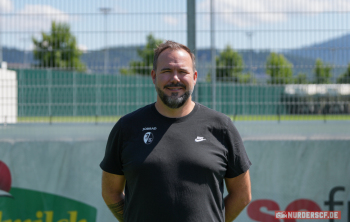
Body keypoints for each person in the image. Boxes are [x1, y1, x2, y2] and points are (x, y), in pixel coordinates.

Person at [100, 40, 252, 222]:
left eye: (182, 72)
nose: (175, 78)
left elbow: (242, 195)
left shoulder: (221, 127)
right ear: (153, 76)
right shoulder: (127, 127)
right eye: (166, 71)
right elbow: (111, 192)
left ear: (194, 77)